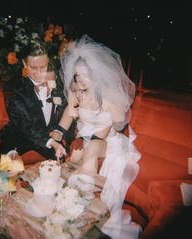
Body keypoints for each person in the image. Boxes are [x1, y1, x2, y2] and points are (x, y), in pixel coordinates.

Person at [51, 35, 142, 239]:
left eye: (86, 75)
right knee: (83, 153)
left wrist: (112, 106)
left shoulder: (106, 95)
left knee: (91, 149)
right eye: (77, 75)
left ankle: (85, 194)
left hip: (108, 142)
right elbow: (68, 113)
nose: (81, 80)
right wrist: (58, 130)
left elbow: (120, 122)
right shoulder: (76, 93)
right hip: (87, 141)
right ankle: (82, 196)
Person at [0, 41, 74, 161]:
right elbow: (25, 126)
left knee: (61, 166)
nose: (39, 73)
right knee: (4, 176)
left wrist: (59, 131)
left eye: (43, 67)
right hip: (20, 136)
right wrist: (51, 142)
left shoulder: (57, 79)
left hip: (48, 133)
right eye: (33, 68)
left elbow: (67, 107)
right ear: (24, 63)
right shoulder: (12, 89)